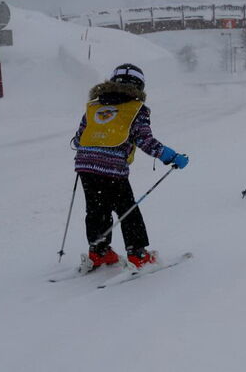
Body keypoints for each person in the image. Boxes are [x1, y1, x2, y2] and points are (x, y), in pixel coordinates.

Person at [72, 63, 189, 270]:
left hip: (85, 165)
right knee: (127, 209)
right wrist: (171, 156)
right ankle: (138, 254)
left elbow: (80, 136)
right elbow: (145, 140)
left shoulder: (94, 106)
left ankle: (99, 252)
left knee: (96, 209)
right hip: (112, 168)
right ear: (140, 86)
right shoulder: (136, 109)